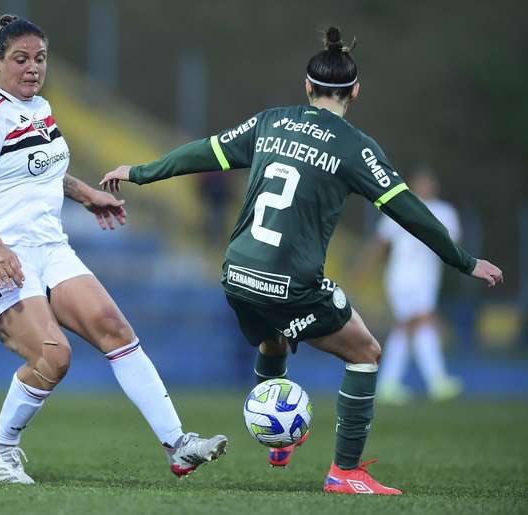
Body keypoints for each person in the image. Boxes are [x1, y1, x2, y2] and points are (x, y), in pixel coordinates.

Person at [100, 27, 503, 495]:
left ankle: (277, 441)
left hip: (236, 272)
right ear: (355, 91)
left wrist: (140, 172)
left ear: (307, 87)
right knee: (367, 353)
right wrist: (461, 259)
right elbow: (408, 209)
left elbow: (204, 152)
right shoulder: (356, 148)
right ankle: (345, 471)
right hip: (288, 282)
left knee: (273, 341)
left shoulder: (270, 122)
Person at [0, 14, 227, 485]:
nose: (32, 68)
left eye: (39, 59)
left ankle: (178, 445)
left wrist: (86, 194)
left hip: (48, 246)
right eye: (20, 59)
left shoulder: (40, 108)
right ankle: (1, 446)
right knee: (54, 357)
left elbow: (43, 171)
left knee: (114, 328)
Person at [365, 167, 464, 404]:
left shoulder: (445, 211)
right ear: (411, 185)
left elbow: (454, 243)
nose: (425, 186)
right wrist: (364, 267)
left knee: (409, 327)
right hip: (400, 278)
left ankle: (389, 383)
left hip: (427, 279)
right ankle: (437, 382)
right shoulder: (399, 205)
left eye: (428, 182)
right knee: (421, 320)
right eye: (420, 182)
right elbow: (380, 242)